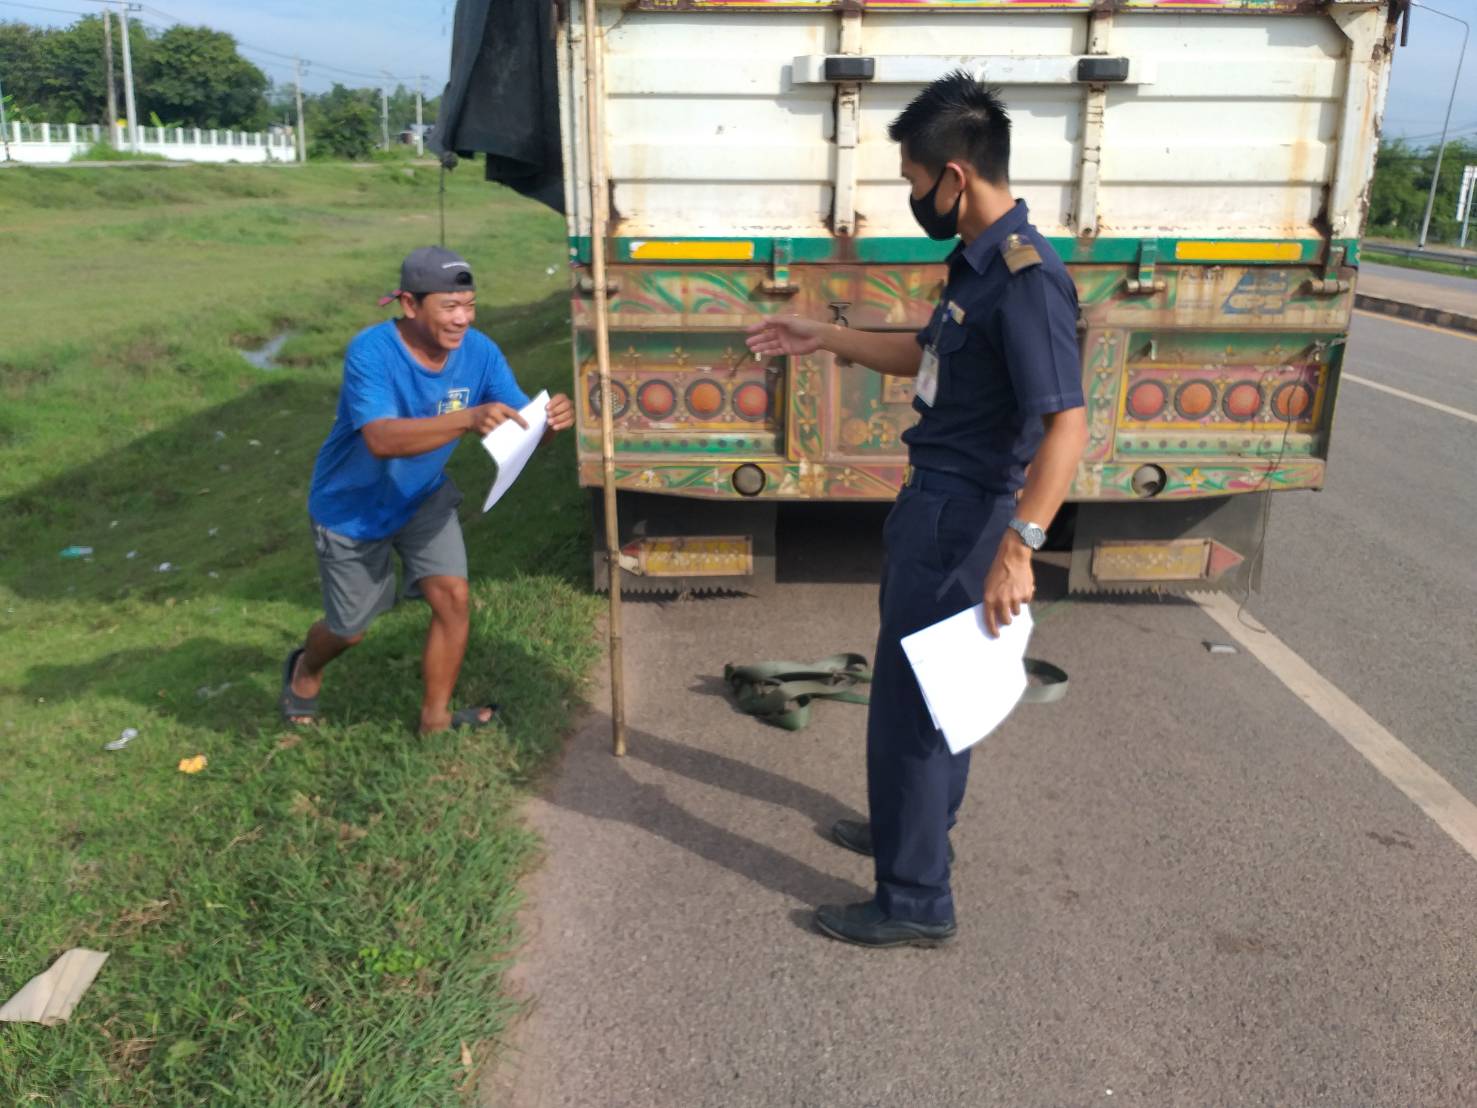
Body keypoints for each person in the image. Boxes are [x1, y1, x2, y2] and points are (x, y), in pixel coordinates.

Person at [746, 73, 1089, 947]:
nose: (910, 196)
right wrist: (822, 335)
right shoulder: (979, 264)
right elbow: (923, 355)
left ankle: (912, 898)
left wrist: (1019, 545)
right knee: (942, 694)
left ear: (954, 178)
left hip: (965, 519)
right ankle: (915, 831)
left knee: (911, 707)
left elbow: (1067, 423)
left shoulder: (1025, 280)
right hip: (937, 506)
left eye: (911, 180)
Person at [279, 246, 574, 734]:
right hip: (352, 509)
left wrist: (550, 423)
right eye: (450, 306)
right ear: (410, 305)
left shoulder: (479, 352)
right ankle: (305, 669)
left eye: (470, 306)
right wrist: (466, 419)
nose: (463, 319)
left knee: (453, 599)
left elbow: (519, 426)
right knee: (349, 630)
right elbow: (380, 439)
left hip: (423, 498)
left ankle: (435, 720)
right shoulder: (371, 352)